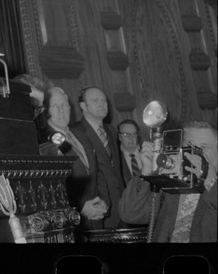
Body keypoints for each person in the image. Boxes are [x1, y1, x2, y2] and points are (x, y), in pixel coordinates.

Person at [118, 121, 218, 242]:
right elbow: (129, 214)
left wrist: (211, 183)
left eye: (204, 147)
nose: (195, 152)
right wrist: (146, 172)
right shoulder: (170, 180)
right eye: (190, 145)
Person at [37, 87, 109, 225]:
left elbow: (97, 172)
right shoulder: (44, 143)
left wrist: (103, 200)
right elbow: (53, 185)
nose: (61, 110)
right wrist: (81, 207)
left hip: (97, 217)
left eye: (64, 105)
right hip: (73, 221)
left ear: (70, 108)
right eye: (55, 106)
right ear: (46, 112)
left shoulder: (82, 135)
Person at [70, 85, 125, 230]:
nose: (102, 105)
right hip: (97, 207)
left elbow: (116, 169)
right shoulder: (74, 132)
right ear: (83, 106)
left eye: (104, 101)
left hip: (121, 205)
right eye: (95, 101)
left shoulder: (111, 130)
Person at [117, 118, 144, 185]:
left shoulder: (147, 154)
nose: (131, 138)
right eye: (126, 134)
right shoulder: (117, 160)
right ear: (119, 137)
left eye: (134, 134)